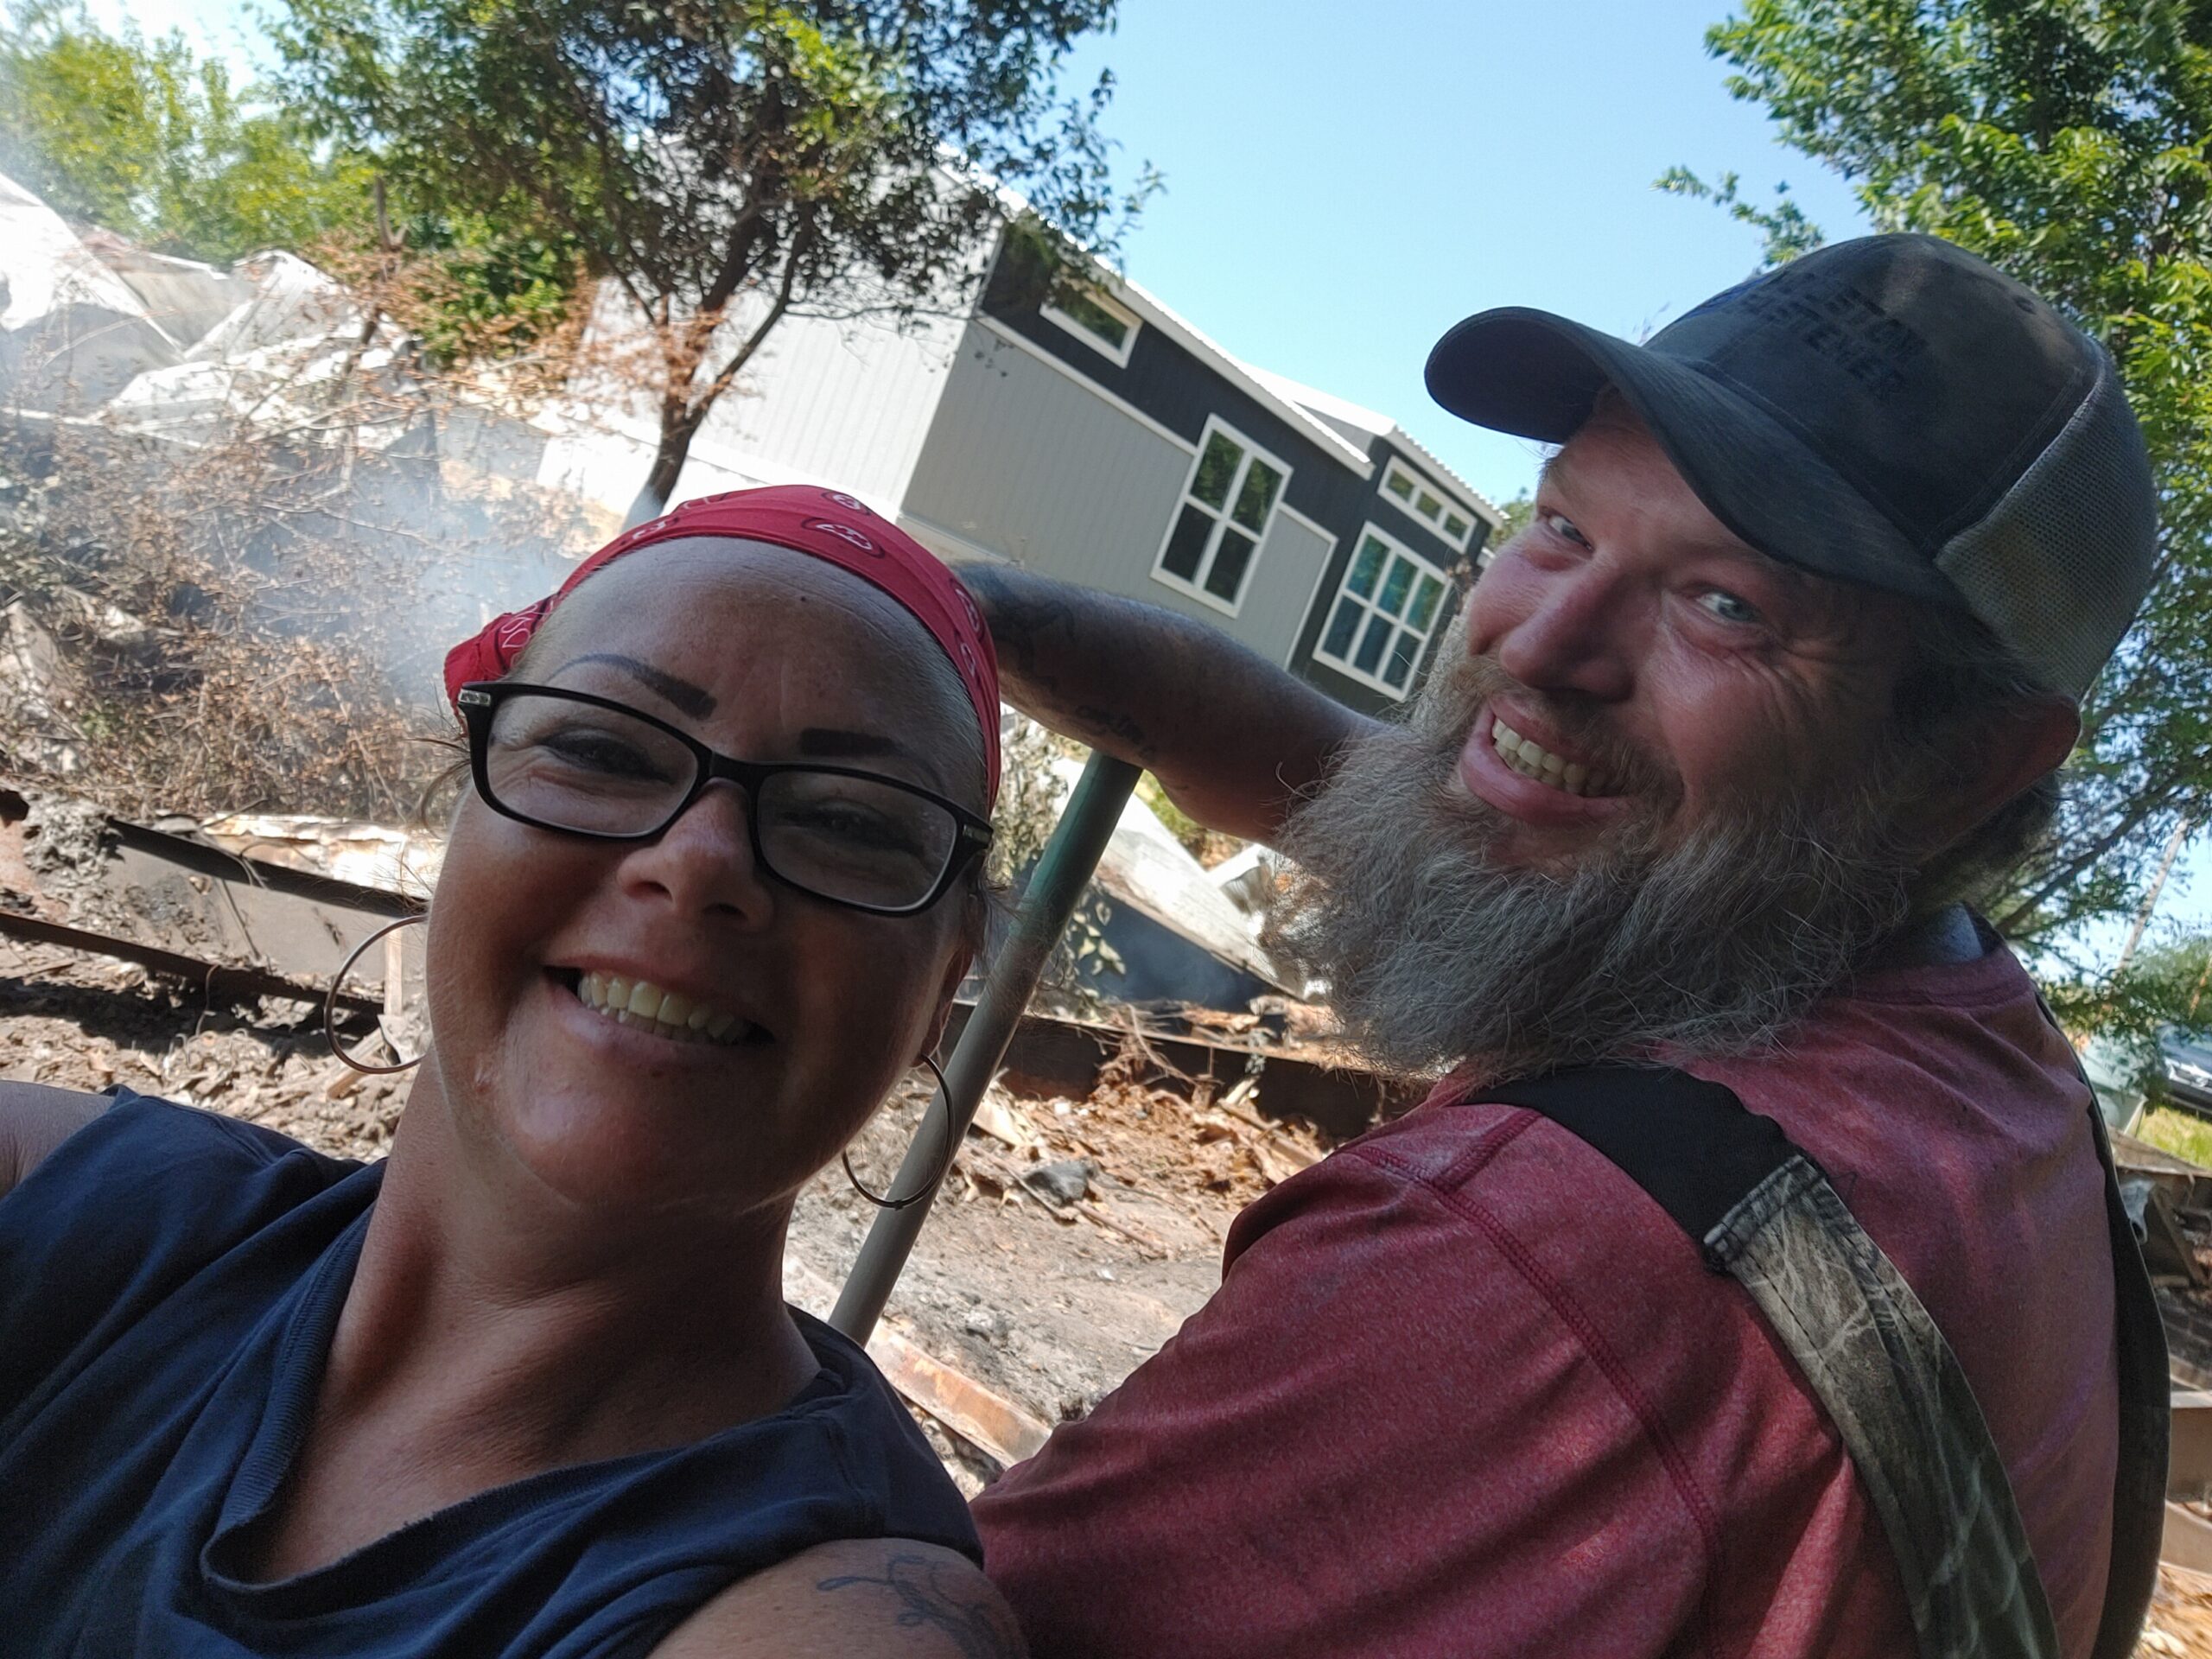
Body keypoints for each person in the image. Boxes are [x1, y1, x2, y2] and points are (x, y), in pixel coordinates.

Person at [967, 235, 2166, 1657]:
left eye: (1728, 605)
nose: (1541, 645)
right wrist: (919, 615)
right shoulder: (1986, 1067)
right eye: (1563, 528)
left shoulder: (1541, 1256)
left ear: (1968, 763)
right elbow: (1419, 787)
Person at [0, 486, 1027, 1658]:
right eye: (599, 748)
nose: (697, 865)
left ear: (947, 985)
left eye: (849, 821)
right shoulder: (72, 1208)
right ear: (458, 818)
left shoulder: (835, 1616)